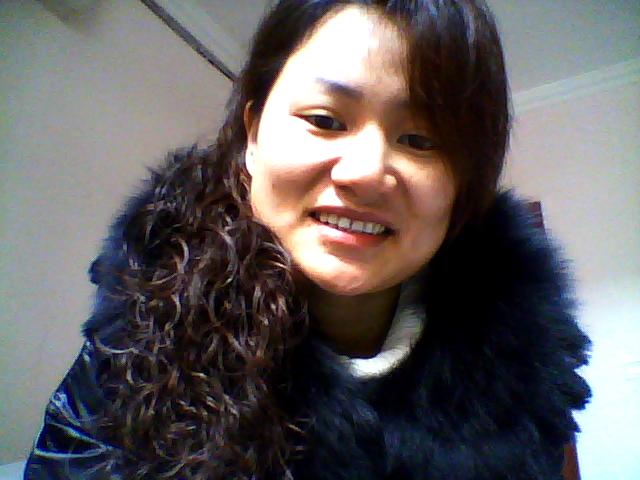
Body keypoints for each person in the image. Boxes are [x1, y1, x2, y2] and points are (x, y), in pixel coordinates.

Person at [24, 0, 591, 479]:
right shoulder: (144, 335)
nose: (366, 172)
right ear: (252, 134)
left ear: (463, 186)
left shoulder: (524, 386)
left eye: (420, 140)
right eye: (325, 120)